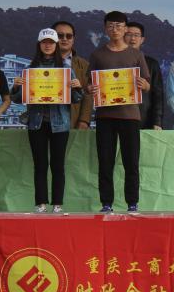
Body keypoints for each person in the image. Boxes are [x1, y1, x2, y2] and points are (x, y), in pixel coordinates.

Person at [11, 28, 83, 214]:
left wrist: (77, 87)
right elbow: (18, 99)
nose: (48, 45)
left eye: (51, 42)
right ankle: (40, 203)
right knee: (40, 165)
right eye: (44, 42)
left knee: (58, 165)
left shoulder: (66, 70)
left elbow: (76, 99)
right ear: (39, 45)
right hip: (36, 123)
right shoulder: (29, 70)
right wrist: (16, 87)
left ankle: (58, 204)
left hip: (60, 124)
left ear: (56, 45)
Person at [87, 11, 151, 213]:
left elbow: (147, 83)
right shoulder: (98, 54)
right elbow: (89, 83)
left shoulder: (136, 54)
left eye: (119, 26)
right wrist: (90, 88)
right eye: (111, 26)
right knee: (105, 162)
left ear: (125, 29)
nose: (115, 30)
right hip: (105, 116)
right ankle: (106, 203)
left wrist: (143, 84)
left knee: (131, 162)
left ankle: (132, 202)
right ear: (105, 29)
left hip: (130, 116)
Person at [52, 20, 93, 129]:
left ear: (73, 39)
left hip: (73, 122)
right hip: (46, 121)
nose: (64, 39)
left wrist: (84, 121)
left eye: (69, 36)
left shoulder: (84, 65)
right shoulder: (39, 64)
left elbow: (88, 95)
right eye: (60, 36)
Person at [125, 21, 164, 130]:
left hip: (144, 118)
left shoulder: (152, 63)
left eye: (136, 35)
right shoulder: (113, 61)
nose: (132, 38)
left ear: (142, 39)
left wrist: (157, 121)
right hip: (118, 117)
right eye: (129, 34)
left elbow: (158, 95)